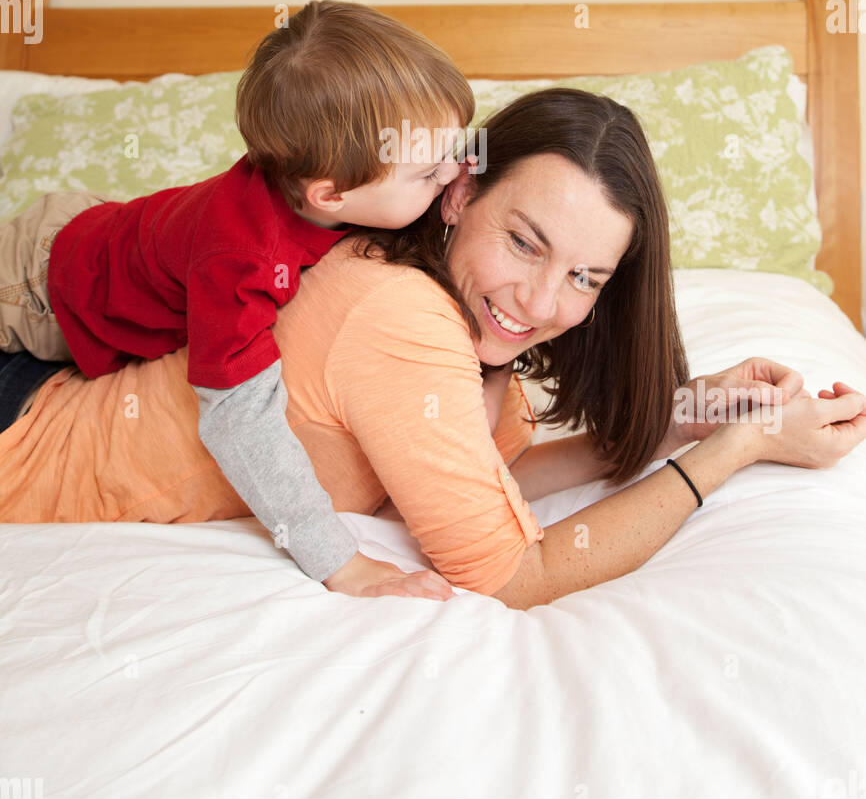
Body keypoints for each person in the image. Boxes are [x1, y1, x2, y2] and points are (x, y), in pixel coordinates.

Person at [1, 87, 863, 607]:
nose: (539, 302)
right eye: (524, 243)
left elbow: (447, 481)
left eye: (586, 278)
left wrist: (686, 420)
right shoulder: (401, 317)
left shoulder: (463, 333)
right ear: (459, 193)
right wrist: (737, 452)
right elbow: (510, 576)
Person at [0, 0, 479, 601]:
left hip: (100, 226)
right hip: (34, 286)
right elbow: (238, 422)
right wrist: (340, 564)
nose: (456, 174)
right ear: (329, 194)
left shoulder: (320, 179)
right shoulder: (242, 262)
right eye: (430, 174)